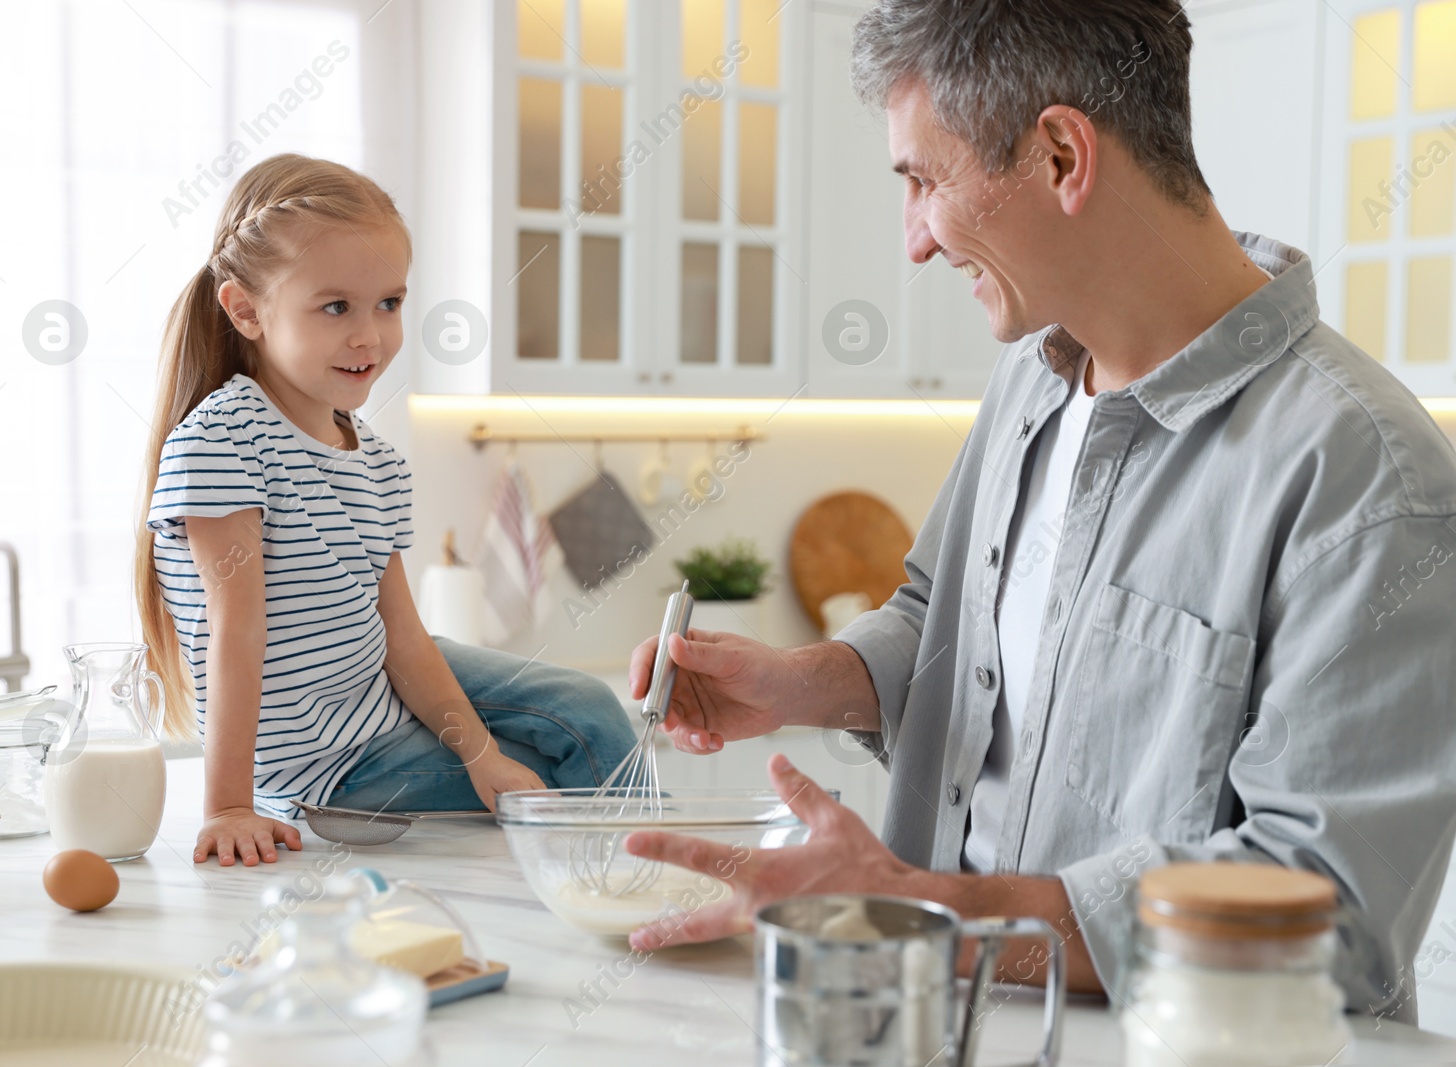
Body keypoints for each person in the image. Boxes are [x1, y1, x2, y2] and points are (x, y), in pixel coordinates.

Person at [623, 0, 1456, 1023]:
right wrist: (801, 682)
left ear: (1062, 155)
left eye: (923, 180)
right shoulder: (1032, 378)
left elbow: (1332, 915)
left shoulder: (1366, 475)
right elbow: (944, 619)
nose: (915, 241)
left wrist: (921, 907)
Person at [134, 154, 636, 867]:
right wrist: (228, 806)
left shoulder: (374, 457)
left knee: (587, 707)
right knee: (566, 763)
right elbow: (235, 633)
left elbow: (401, 635)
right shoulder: (223, 439)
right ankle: (632, 895)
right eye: (336, 306)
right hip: (330, 770)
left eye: (390, 303)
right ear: (246, 309)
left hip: (377, 698)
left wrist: (483, 756)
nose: (370, 335)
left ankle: (641, 884)